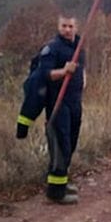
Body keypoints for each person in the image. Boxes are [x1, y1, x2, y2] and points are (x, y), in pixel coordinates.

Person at [38, 15, 86, 204]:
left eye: (71, 26)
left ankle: (61, 182)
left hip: (75, 102)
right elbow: (46, 74)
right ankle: (55, 193)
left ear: (76, 27)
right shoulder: (52, 48)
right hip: (58, 103)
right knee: (60, 146)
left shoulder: (79, 46)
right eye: (64, 26)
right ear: (58, 26)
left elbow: (83, 69)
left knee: (71, 144)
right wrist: (64, 71)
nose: (67, 29)